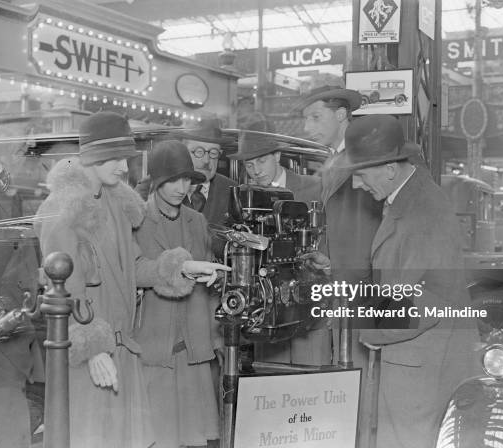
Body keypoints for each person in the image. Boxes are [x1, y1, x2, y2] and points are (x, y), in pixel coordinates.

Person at [35, 112, 227, 448]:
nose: (125, 167)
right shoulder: (62, 210)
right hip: (90, 357)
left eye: (126, 157)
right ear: (92, 155)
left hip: (124, 352)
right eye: (115, 157)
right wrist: (93, 349)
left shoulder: (117, 202)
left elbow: (135, 266)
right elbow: (64, 289)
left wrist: (181, 268)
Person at [338, 114, 477, 448]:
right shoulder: (406, 198)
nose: (356, 185)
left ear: (389, 169)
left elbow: (427, 297)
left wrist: (364, 325)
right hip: (416, 355)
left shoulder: (424, 211)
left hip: (421, 363)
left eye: (360, 174)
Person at [134, 140, 229, 448]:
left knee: (196, 437)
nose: (181, 187)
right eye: (173, 179)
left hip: (195, 346)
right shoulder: (137, 220)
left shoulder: (197, 220)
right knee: (160, 436)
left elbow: (206, 282)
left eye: (187, 179)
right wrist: (179, 268)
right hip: (157, 344)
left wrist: (216, 337)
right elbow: (134, 271)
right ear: (157, 181)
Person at [295, 87, 383, 370]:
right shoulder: (333, 162)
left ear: (342, 114)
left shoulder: (366, 159)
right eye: (306, 119)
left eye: (316, 117)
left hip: (363, 290)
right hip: (338, 285)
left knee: (360, 373)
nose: (307, 127)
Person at [228, 129, 328, 366]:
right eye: (249, 165)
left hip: (309, 309)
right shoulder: (245, 199)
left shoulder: (315, 188)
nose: (256, 171)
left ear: (278, 156)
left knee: (312, 384)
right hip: (267, 311)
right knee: (270, 384)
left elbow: (332, 242)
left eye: (261, 161)